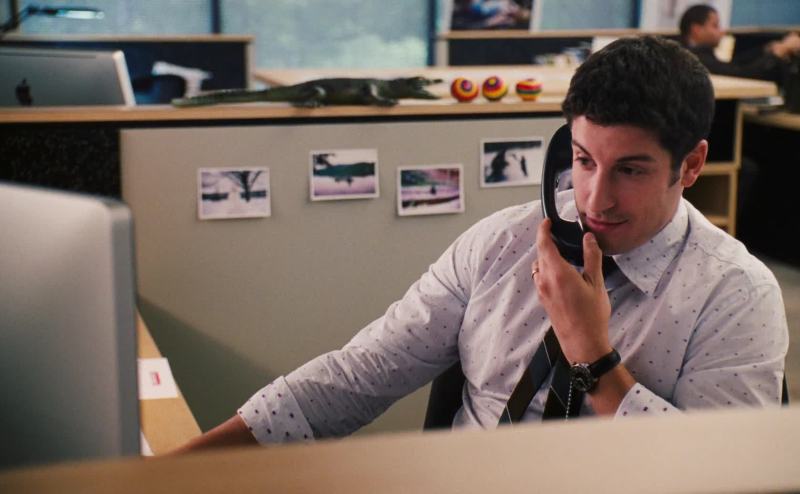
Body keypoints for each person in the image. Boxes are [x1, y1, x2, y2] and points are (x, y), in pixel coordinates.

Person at [171, 36, 788, 453]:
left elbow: (721, 474)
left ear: (691, 165)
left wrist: (593, 355)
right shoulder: (502, 243)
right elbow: (360, 375)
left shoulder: (735, 294)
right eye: (583, 160)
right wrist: (173, 470)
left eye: (630, 170)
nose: (596, 199)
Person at [679, 4, 800, 85]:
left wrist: (767, 49)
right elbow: (741, 75)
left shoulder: (691, 54)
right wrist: (778, 53)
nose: (722, 31)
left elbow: (734, 65)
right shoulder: (693, 60)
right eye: (715, 26)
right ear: (696, 30)